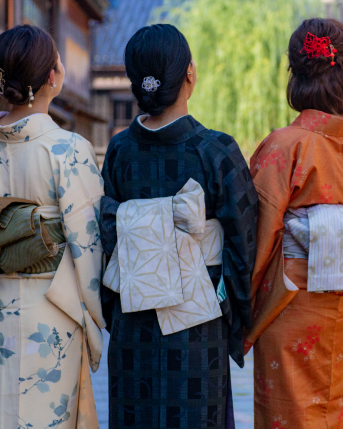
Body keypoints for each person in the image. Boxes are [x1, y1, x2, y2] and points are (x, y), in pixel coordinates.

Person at [98, 24, 258, 429]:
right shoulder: (215, 150)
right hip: (198, 321)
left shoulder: (119, 150)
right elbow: (244, 244)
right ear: (190, 74)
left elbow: (105, 236)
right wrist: (235, 316)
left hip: (131, 316)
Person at [246, 18, 343, 428]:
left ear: (295, 75)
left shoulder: (282, 147)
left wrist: (243, 310)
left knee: (286, 414)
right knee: (335, 412)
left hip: (288, 304)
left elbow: (257, 242)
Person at [0, 25, 106, 429]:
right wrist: (97, 316)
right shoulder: (68, 149)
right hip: (53, 304)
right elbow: (88, 247)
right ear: (51, 78)